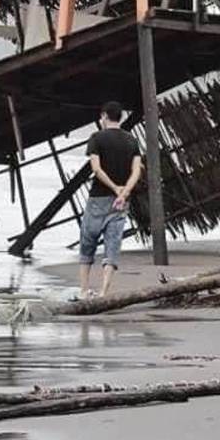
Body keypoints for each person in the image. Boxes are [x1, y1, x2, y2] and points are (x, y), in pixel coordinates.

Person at [77, 101, 142, 299]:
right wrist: (123, 193)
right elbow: (136, 171)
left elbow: (96, 169)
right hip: (120, 202)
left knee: (88, 243)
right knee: (112, 245)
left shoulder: (96, 138)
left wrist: (114, 188)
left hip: (98, 198)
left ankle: (83, 291)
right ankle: (104, 292)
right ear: (120, 117)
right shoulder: (132, 140)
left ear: (104, 116)